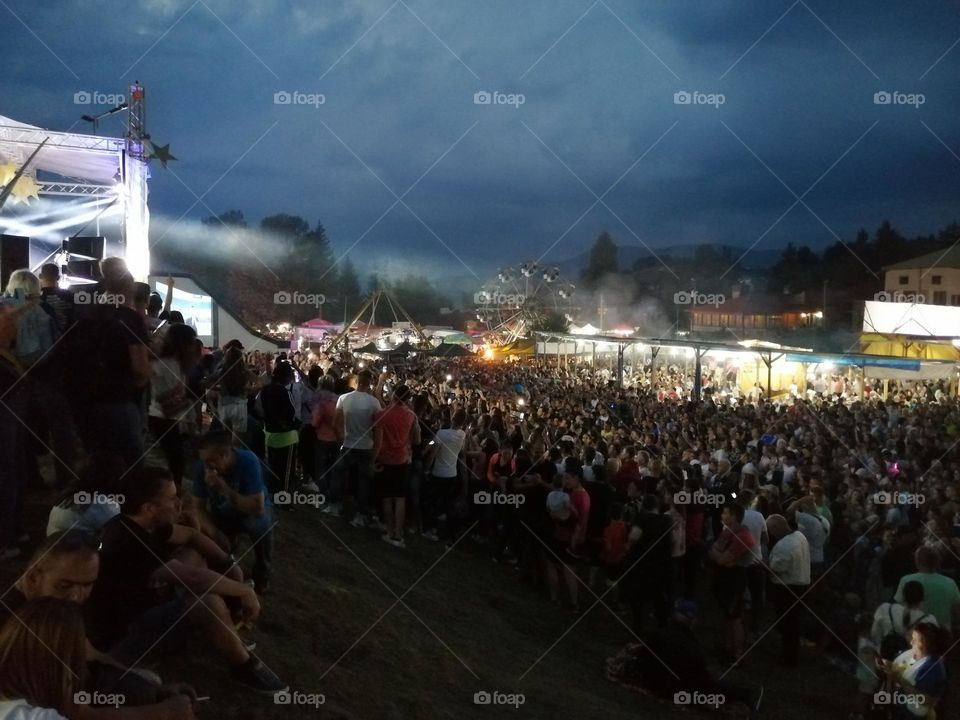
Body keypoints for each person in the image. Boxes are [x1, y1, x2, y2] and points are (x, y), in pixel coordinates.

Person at [86, 466, 286, 694]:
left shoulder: (138, 523)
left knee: (194, 555)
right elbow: (193, 577)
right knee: (205, 601)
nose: (178, 503)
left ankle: (224, 629)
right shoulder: (128, 541)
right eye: (172, 499)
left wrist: (228, 564)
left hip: (143, 604)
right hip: (122, 638)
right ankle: (244, 668)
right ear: (148, 508)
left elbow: (192, 536)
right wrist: (244, 590)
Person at [6, 533, 197, 719]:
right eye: (65, 585)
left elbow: (89, 652)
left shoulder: (51, 604)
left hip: (76, 692)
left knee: (149, 681)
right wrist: (164, 713)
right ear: (32, 577)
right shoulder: (22, 625)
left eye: (87, 584)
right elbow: (76, 713)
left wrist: (154, 689)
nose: (76, 597)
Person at [65, 259, 150, 464]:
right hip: (120, 400)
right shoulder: (130, 319)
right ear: (129, 288)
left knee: (101, 461)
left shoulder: (84, 313)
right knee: (131, 462)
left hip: (85, 400)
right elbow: (140, 370)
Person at [192, 432, 276, 592]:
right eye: (204, 461)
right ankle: (224, 569)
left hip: (251, 510)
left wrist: (223, 489)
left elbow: (257, 507)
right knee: (208, 533)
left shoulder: (247, 461)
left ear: (224, 455)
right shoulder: (201, 467)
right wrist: (213, 531)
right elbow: (198, 506)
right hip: (223, 513)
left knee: (262, 522)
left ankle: (262, 573)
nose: (207, 466)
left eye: (211, 461)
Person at [148, 324, 198, 485]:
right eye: (191, 341)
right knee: (174, 460)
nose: (194, 345)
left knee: (175, 460)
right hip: (164, 417)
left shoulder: (172, 363)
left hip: (166, 416)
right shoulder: (168, 364)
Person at [708, 503, 755, 662]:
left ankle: (737, 655)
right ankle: (727, 647)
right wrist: (719, 556)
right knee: (727, 615)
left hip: (735, 581)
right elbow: (714, 550)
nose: (722, 515)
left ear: (734, 516)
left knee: (735, 617)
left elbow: (721, 558)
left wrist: (719, 556)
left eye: (725, 512)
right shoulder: (728, 531)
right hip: (725, 578)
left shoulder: (743, 536)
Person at [335, 369, 382, 528]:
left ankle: (340, 506)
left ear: (356, 381)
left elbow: (337, 424)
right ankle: (361, 513)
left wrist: (342, 440)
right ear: (369, 383)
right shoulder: (374, 403)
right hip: (365, 447)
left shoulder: (343, 398)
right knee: (363, 483)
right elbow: (378, 430)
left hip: (348, 444)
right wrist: (375, 454)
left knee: (342, 477)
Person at [374, 384, 419, 547]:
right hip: (403, 460)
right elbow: (415, 439)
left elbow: (378, 442)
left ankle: (389, 530)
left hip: (386, 459)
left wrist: (373, 460)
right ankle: (398, 535)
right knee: (400, 498)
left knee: (387, 497)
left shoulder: (382, 414)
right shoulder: (411, 415)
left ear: (393, 395)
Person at [621, 494, 673, 634]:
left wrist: (626, 547)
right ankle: (662, 624)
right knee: (659, 596)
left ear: (644, 506)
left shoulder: (642, 519)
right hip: (661, 564)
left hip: (642, 563)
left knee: (637, 597)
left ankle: (638, 628)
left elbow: (633, 537)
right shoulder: (667, 520)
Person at [877, 622, 950, 718]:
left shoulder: (933, 669)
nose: (911, 643)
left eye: (915, 640)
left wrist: (899, 679)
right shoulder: (916, 654)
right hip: (899, 706)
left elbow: (925, 700)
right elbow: (905, 666)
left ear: (926, 644)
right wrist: (889, 665)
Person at [766, 514, 810, 667]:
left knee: (787, 625)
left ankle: (789, 658)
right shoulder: (800, 536)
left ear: (777, 528)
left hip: (787, 588)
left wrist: (764, 566)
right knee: (794, 623)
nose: (770, 534)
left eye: (771, 530)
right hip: (802, 584)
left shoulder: (785, 545)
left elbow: (777, 568)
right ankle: (791, 654)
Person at [46, 454, 125, 536]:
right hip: (72, 546)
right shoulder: (102, 506)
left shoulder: (69, 494)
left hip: (52, 544)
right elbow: (120, 532)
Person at [894, 546, 960, 633]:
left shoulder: (906, 580)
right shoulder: (950, 583)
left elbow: (899, 606)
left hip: (914, 630)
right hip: (942, 631)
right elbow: (957, 610)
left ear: (917, 561)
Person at [259, 361, 300, 500]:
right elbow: (292, 411)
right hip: (286, 435)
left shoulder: (265, 390)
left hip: (270, 433)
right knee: (286, 471)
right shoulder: (284, 391)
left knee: (273, 467)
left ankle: (272, 494)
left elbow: (259, 409)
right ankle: (284, 500)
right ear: (287, 376)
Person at [873, 581, 937, 659]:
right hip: (913, 662)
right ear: (922, 598)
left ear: (903, 595)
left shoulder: (885, 609)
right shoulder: (929, 620)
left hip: (887, 658)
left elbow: (875, 635)